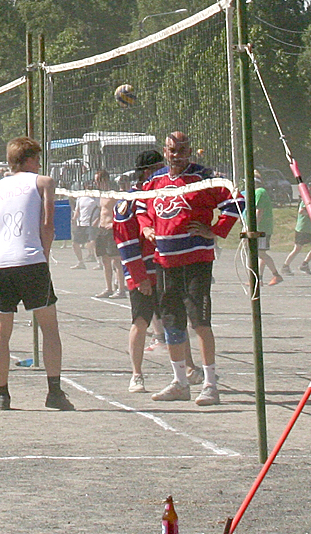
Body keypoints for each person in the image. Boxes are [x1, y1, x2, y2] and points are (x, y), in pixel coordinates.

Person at [125, 130, 242, 406]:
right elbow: (140, 206)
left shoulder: (203, 178)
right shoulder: (155, 180)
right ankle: (180, 381)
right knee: (172, 323)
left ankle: (211, 384)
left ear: (189, 150)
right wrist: (147, 227)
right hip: (165, 261)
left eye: (181, 150)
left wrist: (214, 230)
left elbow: (238, 201)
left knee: (200, 322)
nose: (175, 155)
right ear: (164, 151)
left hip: (195, 261)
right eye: (171, 150)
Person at [0, 137, 72, 411]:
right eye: (36, 157)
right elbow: (48, 225)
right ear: (29, 158)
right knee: (49, 327)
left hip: (0, 262)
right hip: (31, 260)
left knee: (1, 331)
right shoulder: (43, 182)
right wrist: (44, 257)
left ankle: (2, 394)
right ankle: (54, 391)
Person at [118, 149, 166, 392]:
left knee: (175, 321)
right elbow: (125, 243)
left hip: (167, 267)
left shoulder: (164, 193)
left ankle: (189, 369)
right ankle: (136, 374)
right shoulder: (129, 201)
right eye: (159, 167)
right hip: (144, 272)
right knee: (140, 321)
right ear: (147, 172)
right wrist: (139, 277)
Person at [92, 171, 122, 297]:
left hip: (111, 229)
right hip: (102, 229)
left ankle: (120, 289)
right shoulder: (101, 195)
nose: (95, 183)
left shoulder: (114, 194)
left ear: (104, 180)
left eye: (98, 180)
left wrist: (114, 224)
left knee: (116, 260)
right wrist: (98, 221)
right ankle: (108, 288)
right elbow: (103, 211)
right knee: (104, 259)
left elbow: (121, 210)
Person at [282, 186, 311, 276]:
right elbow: (301, 211)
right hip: (302, 228)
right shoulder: (307, 200)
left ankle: (304, 264)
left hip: (309, 229)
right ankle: (285, 266)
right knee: (297, 248)